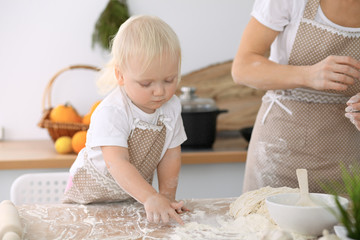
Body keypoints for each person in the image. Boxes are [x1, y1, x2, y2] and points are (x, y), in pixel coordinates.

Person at [63, 15, 188, 225]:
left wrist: (166, 198)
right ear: (120, 76)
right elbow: (117, 162)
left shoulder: (172, 107)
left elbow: (171, 155)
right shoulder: (112, 111)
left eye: (169, 80)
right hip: (89, 198)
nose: (160, 91)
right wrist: (150, 196)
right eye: (146, 83)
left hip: (131, 193)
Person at [232, 0, 360, 193]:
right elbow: (242, 68)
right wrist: (307, 75)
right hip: (280, 154)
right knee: (265, 222)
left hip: (351, 160)